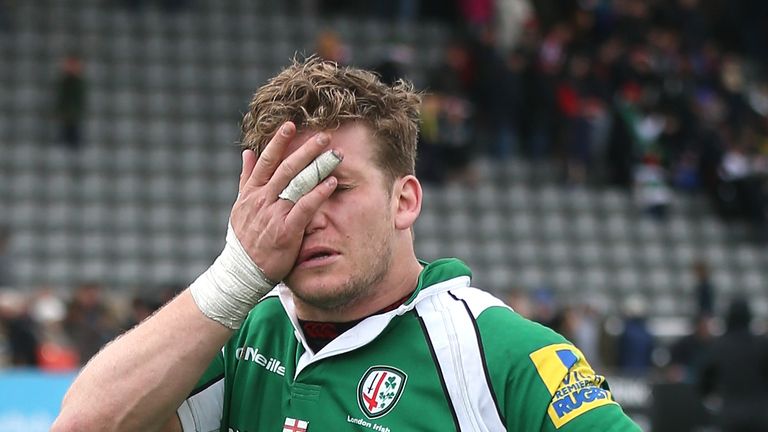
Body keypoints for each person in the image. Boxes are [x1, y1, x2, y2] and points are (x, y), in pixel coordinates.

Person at [52, 57, 639, 431]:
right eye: (289, 193)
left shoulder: (496, 352)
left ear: (404, 201)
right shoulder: (246, 334)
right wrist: (234, 276)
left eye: (336, 187)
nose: (308, 216)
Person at [698, 297, 768, 432]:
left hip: (730, 416)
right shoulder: (762, 344)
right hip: (760, 414)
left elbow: (704, 381)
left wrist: (712, 396)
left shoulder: (718, 346)